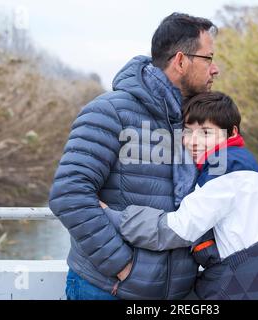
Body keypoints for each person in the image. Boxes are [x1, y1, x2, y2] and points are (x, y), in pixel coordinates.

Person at [48, 12, 220, 300]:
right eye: (208, 58)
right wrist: (123, 266)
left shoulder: (194, 122)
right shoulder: (109, 112)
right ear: (180, 61)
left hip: (177, 292)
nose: (215, 69)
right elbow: (69, 194)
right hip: (108, 290)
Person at [102, 92, 258, 300]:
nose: (193, 141)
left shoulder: (225, 166)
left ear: (232, 133)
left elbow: (179, 228)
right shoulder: (237, 160)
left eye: (206, 132)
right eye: (188, 131)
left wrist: (115, 217)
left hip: (255, 283)